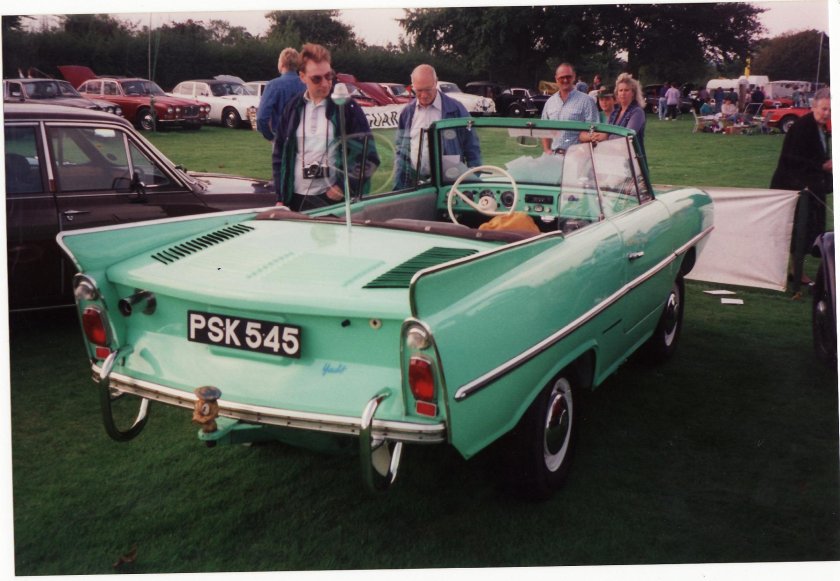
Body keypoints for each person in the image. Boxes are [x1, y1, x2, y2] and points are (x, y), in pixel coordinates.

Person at [274, 43, 380, 211]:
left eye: (329, 76)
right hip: (294, 199)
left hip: (333, 203)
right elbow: (279, 155)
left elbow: (370, 156)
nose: (325, 83)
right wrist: (281, 196)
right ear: (302, 77)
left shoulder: (347, 107)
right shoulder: (292, 108)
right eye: (317, 78)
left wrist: (344, 185)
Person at [770, 88, 832, 296]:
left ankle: (796, 269)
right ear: (814, 107)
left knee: (807, 230)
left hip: (810, 185)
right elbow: (792, 159)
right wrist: (822, 166)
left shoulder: (820, 128)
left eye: (831, 110)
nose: (827, 114)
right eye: (824, 109)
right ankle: (795, 272)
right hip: (794, 187)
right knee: (798, 230)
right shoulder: (802, 127)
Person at [393, 64, 481, 189]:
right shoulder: (407, 112)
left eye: (428, 89)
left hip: (447, 184)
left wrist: (473, 182)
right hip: (413, 183)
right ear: (412, 87)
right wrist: (398, 185)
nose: (423, 95)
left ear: (436, 82)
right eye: (419, 90)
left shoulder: (457, 110)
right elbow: (400, 151)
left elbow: (472, 148)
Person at [257, 47, 306, 198]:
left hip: (282, 138)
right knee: (302, 181)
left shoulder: (273, 85)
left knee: (282, 181)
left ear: (281, 63)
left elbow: (261, 118)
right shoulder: (306, 84)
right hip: (306, 138)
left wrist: (270, 136)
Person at [579, 73, 646, 155]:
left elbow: (626, 138)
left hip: (632, 160)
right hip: (614, 157)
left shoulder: (637, 112)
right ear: (617, 94)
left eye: (626, 90)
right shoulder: (615, 112)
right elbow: (606, 133)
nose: (623, 93)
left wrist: (604, 140)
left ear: (633, 93)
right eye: (620, 90)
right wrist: (594, 137)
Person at [540, 62, 599, 154]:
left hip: (578, 158)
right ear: (556, 79)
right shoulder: (550, 102)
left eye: (568, 77)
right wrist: (547, 150)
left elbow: (594, 131)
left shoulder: (587, 101)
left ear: (574, 77)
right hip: (554, 157)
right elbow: (544, 129)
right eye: (561, 77)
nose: (565, 80)